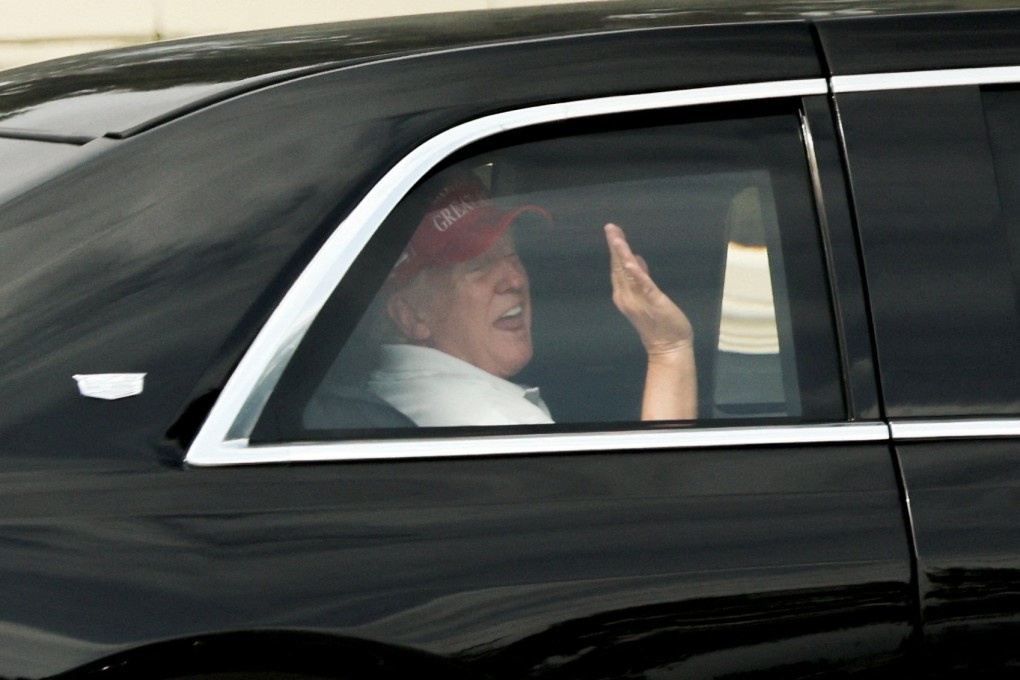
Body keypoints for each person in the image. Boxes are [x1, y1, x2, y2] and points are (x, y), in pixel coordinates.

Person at [366, 173, 697, 426]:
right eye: (477, 266)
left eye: (512, 255)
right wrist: (668, 348)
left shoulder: (387, 391)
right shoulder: (492, 420)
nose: (515, 279)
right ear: (410, 315)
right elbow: (649, 508)